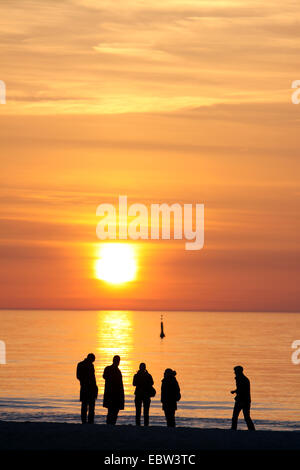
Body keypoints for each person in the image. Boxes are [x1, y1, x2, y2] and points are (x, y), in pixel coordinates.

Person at [230, 365, 255, 430]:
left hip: (241, 400)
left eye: (235, 371)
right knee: (246, 417)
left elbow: (241, 389)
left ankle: (233, 429)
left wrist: (236, 392)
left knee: (235, 416)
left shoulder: (240, 379)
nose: (234, 372)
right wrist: (235, 391)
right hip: (246, 400)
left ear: (238, 372)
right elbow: (240, 388)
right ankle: (252, 429)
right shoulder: (244, 379)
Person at [76, 353, 98, 424]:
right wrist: (85, 381)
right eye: (93, 360)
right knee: (86, 406)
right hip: (86, 388)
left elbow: (93, 378)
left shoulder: (90, 365)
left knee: (89, 406)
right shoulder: (81, 364)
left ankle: (88, 421)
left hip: (90, 388)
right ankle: (86, 421)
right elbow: (79, 376)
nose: (93, 361)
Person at [103, 355, 124, 425]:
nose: (118, 362)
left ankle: (110, 423)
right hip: (113, 394)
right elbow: (105, 377)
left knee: (112, 410)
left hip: (112, 394)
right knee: (113, 411)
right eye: (118, 361)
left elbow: (104, 376)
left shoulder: (109, 369)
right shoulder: (114, 370)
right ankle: (110, 423)